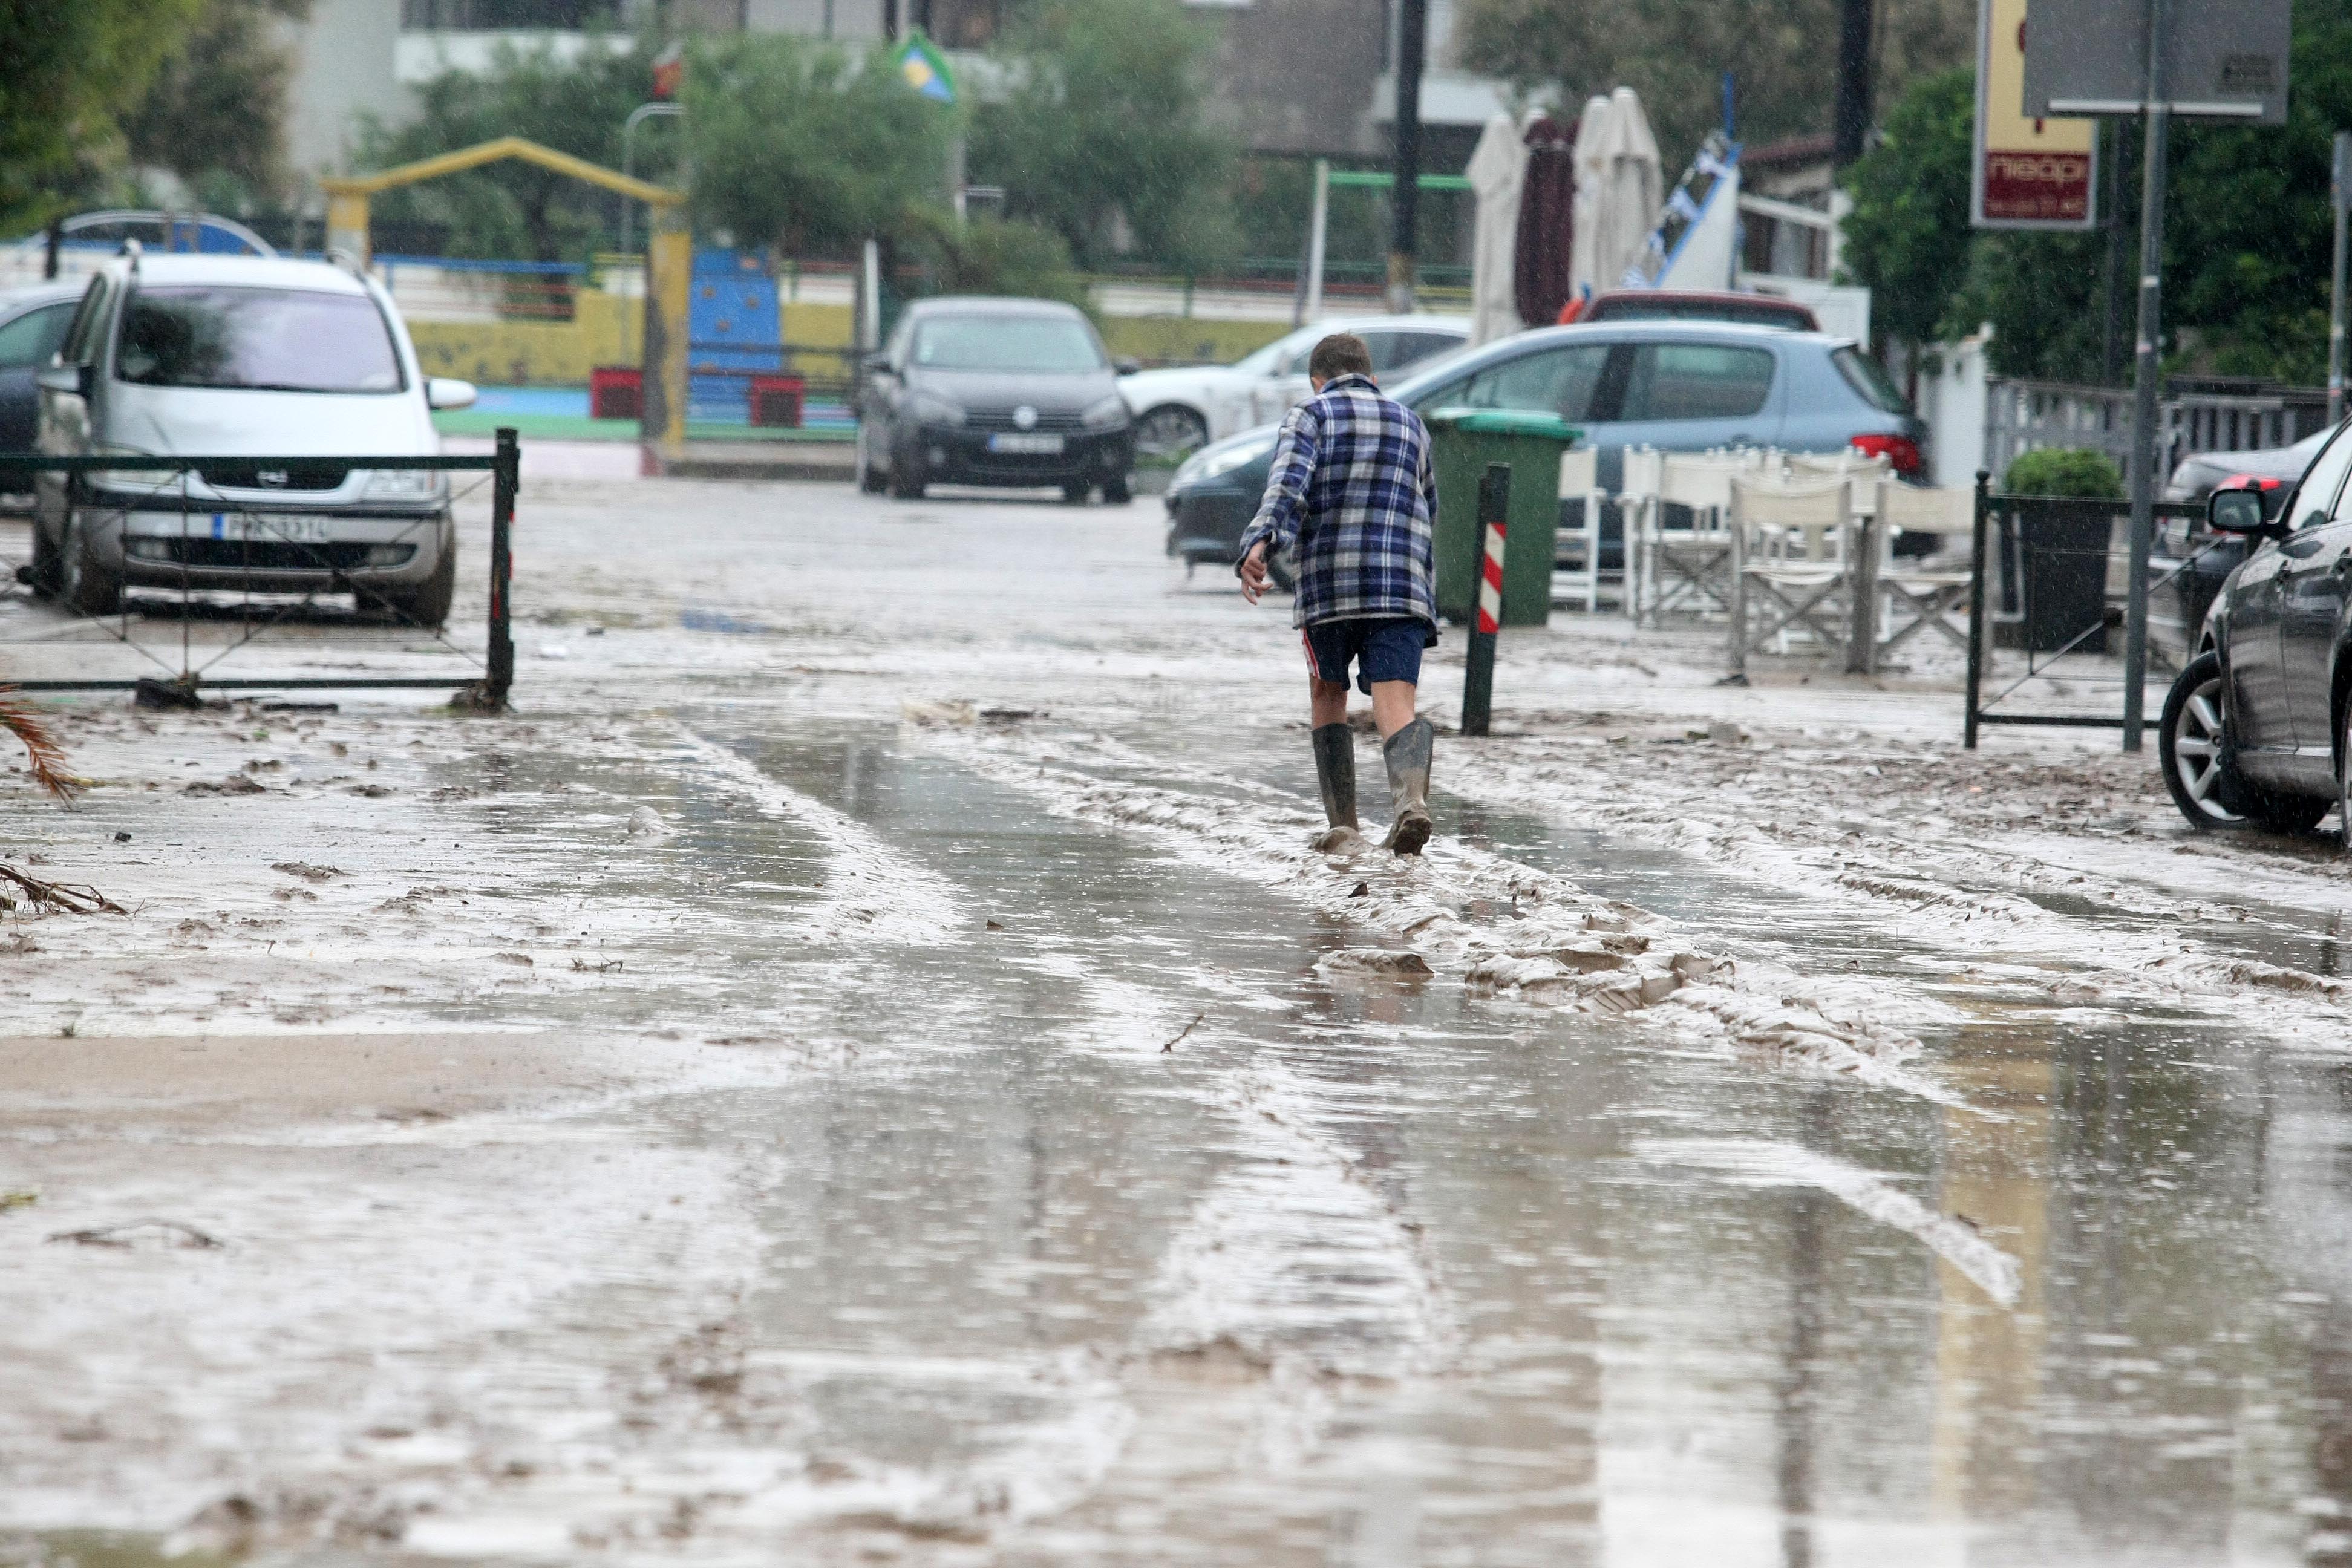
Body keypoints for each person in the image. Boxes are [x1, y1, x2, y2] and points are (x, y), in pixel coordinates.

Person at [1236, 332, 1439, 857]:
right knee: (1396, 699)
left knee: (1329, 692)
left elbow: (1287, 489)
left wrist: (1259, 543)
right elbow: (1428, 505)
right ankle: (1410, 803)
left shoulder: (1312, 415)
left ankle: (1344, 825)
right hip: (1401, 587)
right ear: (1372, 378)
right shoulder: (1410, 422)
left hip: (1330, 588)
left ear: (1317, 381)